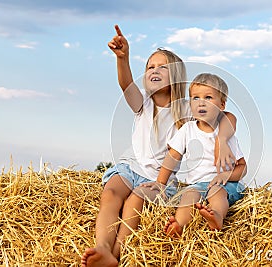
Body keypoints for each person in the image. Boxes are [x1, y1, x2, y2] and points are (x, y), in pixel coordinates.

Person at [81, 25, 238, 267]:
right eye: (150, 67)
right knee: (110, 194)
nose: (154, 70)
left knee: (135, 200)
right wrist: (123, 59)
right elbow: (125, 85)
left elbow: (228, 117)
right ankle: (102, 247)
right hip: (130, 166)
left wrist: (222, 139)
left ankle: (116, 254)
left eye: (162, 67)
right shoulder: (142, 100)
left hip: (159, 177)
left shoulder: (188, 107)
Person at [146, 73, 247, 237]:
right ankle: (179, 225)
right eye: (195, 98)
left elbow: (243, 167)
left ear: (222, 105)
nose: (201, 102)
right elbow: (173, 156)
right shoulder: (187, 129)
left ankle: (217, 217)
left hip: (226, 185)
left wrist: (227, 175)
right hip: (198, 184)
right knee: (189, 195)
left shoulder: (226, 135)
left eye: (208, 97)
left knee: (216, 192)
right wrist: (160, 182)